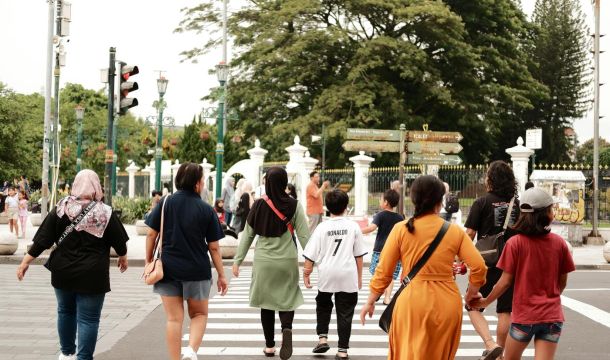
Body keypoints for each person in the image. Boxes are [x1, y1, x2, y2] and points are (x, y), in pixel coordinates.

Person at [360, 175, 487, 360]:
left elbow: (383, 272)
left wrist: (370, 300)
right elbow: (479, 267)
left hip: (412, 302)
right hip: (447, 304)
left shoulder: (401, 229)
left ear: (413, 199)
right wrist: (471, 293)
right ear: (440, 201)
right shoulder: (454, 231)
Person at [16, 169, 129, 360]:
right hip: (92, 274)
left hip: (63, 271)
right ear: (96, 186)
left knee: (65, 311)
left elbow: (42, 241)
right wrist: (122, 257)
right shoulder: (105, 212)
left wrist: (25, 262)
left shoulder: (60, 209)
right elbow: (120, 243)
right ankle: (83, 358)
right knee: (89, 319)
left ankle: (67, 353)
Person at [469, 187, 575, 360]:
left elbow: (504, 282)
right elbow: (562, 281)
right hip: (552, 317)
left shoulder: (515, 244)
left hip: (524, 318)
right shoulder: (559, 244)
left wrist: (485, 301)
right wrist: (551, 299)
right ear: (547, 214)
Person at [145, 163, 228, 360]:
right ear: (197, 184)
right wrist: (222, 275)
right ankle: (191, 351)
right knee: (199, 315)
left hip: (167, 270)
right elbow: (214, 247)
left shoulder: (166, 202)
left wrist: (149, 259)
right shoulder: (206, 209)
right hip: (197, 271)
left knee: (174, 319)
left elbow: (150, 234)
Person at [232, 167, 311, 360]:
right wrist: (311, 260)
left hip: (264, 261)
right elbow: (304, 236)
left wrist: (237, 261)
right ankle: (287, 329)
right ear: (284, 183)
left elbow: (247, 236)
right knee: (287, 298)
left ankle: (269, 346)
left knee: (266, 303)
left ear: (267, 183)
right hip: (287, 261)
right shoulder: (295, 205)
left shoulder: (258, 205)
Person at [464, 160, 520, 360]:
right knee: (505, 310)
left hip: (486, 263)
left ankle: (491, 343)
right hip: (513, 263)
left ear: (491, 179)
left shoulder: (482, 202)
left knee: (472, 304)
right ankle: (500, 354)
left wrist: (462, 260)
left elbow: (469, 235)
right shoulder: (517, 204)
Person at [303, 189, 366, 359]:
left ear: (327, 207)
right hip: (348, 274)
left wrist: (306, 273)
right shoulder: (353, 226)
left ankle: (322, 339)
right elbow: (359, 255)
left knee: (323, 306)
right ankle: (342, 350)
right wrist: (359, 277)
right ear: (346, 207)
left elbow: (310, 254)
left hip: (327, 273)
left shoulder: (322, 227)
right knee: (345, 311)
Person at [361, 189, 404, 304]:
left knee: (377, 273)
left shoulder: (380, 215)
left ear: (386, 202)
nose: (379, 201)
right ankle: (387, 298)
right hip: (395, 252)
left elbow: (371, 228)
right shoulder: (400, 218)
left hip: (380, 250)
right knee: (390, 276)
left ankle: (377, 293)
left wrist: (357, 231)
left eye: (381, 199)